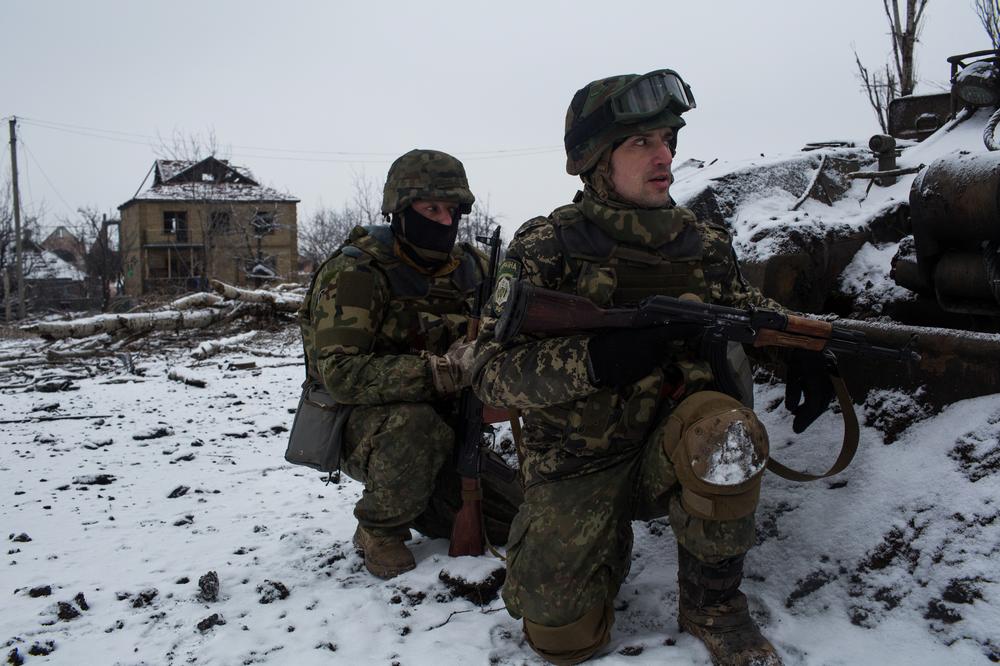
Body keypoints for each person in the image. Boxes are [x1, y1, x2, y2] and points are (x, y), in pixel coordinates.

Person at [472, 70, 834, 665]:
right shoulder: (547, 246)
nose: (663, 155)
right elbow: (489, 371)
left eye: (667, 139)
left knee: (728, 432)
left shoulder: (704, 244)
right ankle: (599, 549)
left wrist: (804, 350)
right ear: (595, 159)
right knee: (563, 638)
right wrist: (596, 360)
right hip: (578, 462)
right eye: (641, 142)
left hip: (676, 444)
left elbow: (747, 313)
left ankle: (713, 605)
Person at [299, 149, 522, 579]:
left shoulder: (475, 267)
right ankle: (378, 529)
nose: (444, 220)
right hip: (363, 424)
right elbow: (341, 375)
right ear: (400, 211)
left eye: (452, 210)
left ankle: (422, 493)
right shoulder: (356, 272)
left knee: (513, 519)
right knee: (415, 426)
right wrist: (444, 371)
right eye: (431, 209)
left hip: (452, 422)